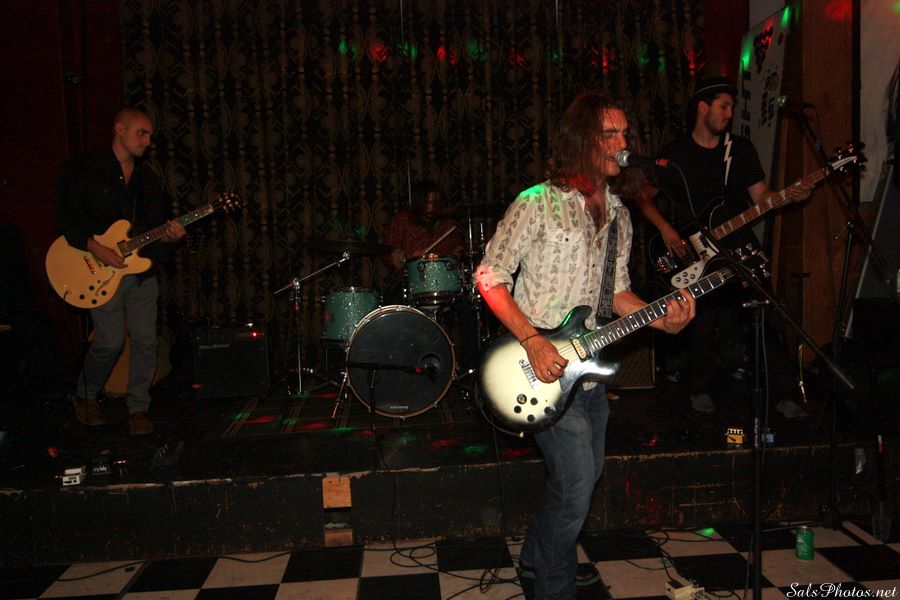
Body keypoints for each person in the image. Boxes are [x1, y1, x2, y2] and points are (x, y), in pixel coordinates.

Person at [474, 92, 696, 600]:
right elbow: (489, 276)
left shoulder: (618, 214)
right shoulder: (537, 202)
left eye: (625, 133)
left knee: (584, 478)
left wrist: (661, 319)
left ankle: (537, 557)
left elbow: (614, 293)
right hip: (540, 367)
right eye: (609, 134)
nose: (622, 143)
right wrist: (532, 340)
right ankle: (554, 589)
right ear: (582, 140)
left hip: (587, 372)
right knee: (575, 484)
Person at [633, 76, 812, 417]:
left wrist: (789, 196)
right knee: (703, 321)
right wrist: (666, 229)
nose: (729, 114)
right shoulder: (676, 154)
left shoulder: (740, 150)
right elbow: (643, 197)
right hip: (698, 254)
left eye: (731, 107)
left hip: (740, 249)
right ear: (703, 107)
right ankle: (698, 389)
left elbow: (761, 197)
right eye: (723, 106)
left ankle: (784, 394)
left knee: (766, 312)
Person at [54, 107, 186, 435]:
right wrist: (96, 247)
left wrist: (170, 237)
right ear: (120, 129)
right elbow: (66, 218)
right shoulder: (84, 168)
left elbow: (155, 229)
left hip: (139, 273)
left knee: (146, 342)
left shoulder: (148, 180)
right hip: (98, 270)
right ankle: (85, 396)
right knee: (110, 341)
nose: (147, 141)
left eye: (150, 135)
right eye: (142, 133)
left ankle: (138, 409)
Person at [382, 181, 479, 370]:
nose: (432, 206)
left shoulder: (448, 223)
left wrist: (457, 251)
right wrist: (405, 257)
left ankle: (471, 367)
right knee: (392, 310)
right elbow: (386, 254)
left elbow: (457, 247)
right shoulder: (403, 221)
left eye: (436, 202)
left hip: (445, 286)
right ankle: (397, 366)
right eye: (428, 201)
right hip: (410, 284)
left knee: (469, 310)